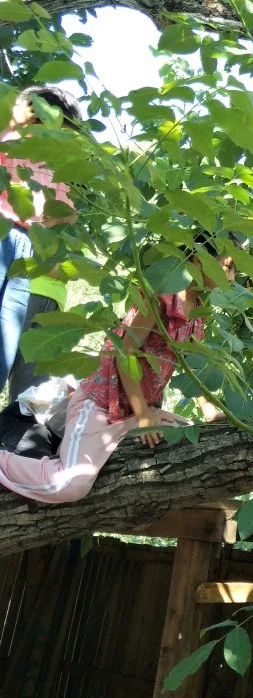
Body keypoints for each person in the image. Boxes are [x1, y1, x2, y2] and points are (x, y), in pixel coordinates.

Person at [0, 240, 234, 503]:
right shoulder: (160, 298)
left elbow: (192, 361)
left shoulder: (198, 309)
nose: (234, 273)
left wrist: (209, 409)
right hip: (101, 406)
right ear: (201, 260)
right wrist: (144, 416)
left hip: (138, 411)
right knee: (70, 484)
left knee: (190, 436)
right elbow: (125, 354)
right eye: (229, 264)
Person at [0, 86, 82, 390]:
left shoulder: (57, 172)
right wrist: (12, 124)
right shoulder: (12, 145)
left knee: (30, 390)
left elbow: (66, 219)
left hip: (40, 268)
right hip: (12, 246)